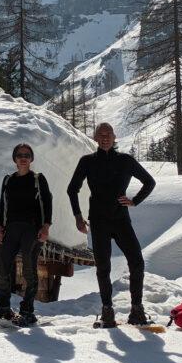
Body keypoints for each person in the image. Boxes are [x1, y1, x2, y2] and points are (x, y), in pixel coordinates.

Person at [67, 122, 156, 327]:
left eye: (109, 134)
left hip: (121, 219)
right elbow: (72, 189)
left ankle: (136, 309)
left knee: (137, 262)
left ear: (115, 137)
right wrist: (78, 217)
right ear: (96, 138)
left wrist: (135, 200)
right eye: (101, 134)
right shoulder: (87, 161)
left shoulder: (125, 160)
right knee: (103, 267)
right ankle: (107, 310)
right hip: (98, 221)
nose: (105, 137)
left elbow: (149, 182)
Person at [0, 142, 53, 325]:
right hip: (12, 228)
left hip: (32, 228)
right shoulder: (8, 180)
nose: (23, 158)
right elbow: (3, 205)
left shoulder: (38, 179)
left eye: (27, 155)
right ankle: (3, 309)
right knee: (2, 266)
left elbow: (47, 202)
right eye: (19, 155)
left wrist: (46, 226)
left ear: (31, 159)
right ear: (15, 159)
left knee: (29, 268)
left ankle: (27, 311)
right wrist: (0, 226)